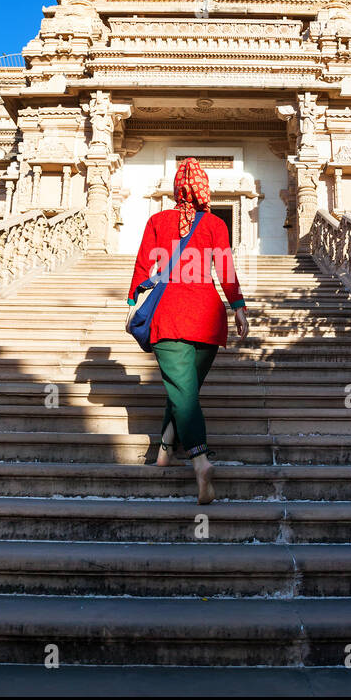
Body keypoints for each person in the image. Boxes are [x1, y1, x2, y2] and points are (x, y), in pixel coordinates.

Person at [126, 157, 249, 504]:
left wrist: (133, 297)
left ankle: (200, 460)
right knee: (183, 388)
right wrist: (238, 308)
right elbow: (225, 270)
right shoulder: (215, 224)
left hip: (169, 318)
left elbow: (142, 265)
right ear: (203, 188)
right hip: (208, 318)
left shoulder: (156, 221)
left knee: (181, 389)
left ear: (176, 187)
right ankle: (165, 450)